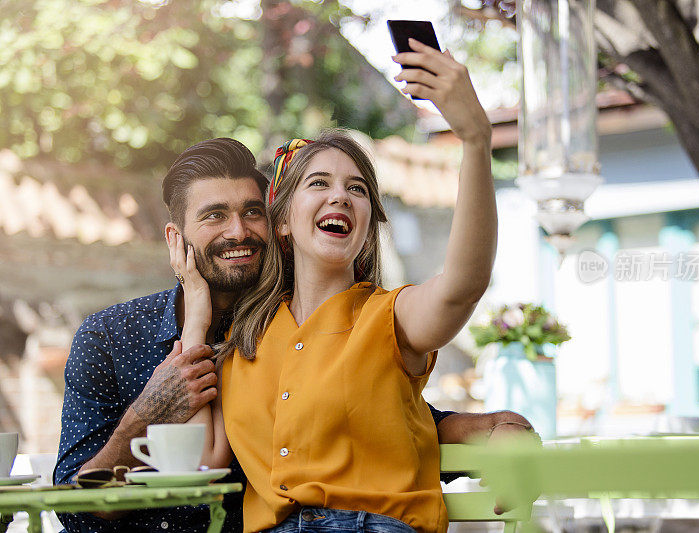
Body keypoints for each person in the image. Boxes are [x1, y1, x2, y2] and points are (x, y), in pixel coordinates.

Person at [55, 132, 534, 532]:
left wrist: (493, 428)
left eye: (251, 211)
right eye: (214, 215)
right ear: (175, 239)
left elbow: (379, 413)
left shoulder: (319, 322)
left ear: (275, 221)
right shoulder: (115, 337)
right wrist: (145, 413)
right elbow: (74, 506)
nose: (239, 231)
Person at [173, 39, 521, 533]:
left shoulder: (391, 318)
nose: (340, 194)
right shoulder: (243, 345)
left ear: (366, 224)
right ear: (283, 223)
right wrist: (199, 315)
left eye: (356, 189)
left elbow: (464, 285)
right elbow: (202, 463)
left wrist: (475, 140)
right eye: (319, 183)